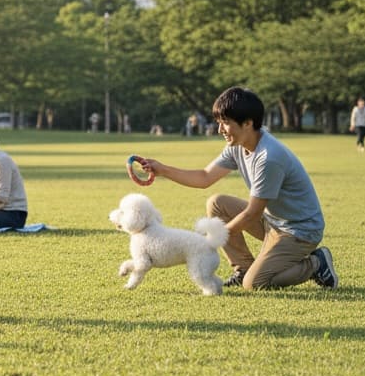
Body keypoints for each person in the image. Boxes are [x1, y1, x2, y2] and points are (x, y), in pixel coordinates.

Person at [138, 86, 337, 291]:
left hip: (299, 231)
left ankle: (316, 264)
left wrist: (213, 238)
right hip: (272, 222)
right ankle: (243, 268)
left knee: (255, 284)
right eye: (219, 122)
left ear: (248, 123)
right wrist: (162, 169)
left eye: (225, 122)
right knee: (217, 204)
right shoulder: (237, 146)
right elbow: (205, 177)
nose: (219, 129)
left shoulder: (268, 158)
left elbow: (252, 213)